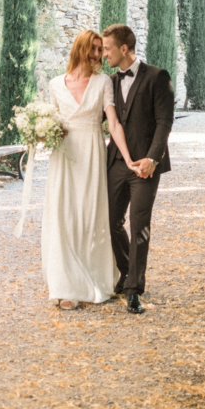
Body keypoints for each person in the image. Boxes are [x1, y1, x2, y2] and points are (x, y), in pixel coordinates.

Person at [42, 30, 139, 310]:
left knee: (88, 215)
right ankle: (65, 285)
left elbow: (114, 123)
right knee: (63, 215)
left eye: (100, 50)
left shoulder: (103, 83)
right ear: (80, 49)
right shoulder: (55, 84)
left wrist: (128, 157)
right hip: (64, 155)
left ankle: (90, 279)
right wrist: (40, 133)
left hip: (92, 152)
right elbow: (52, 121)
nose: (97, 55)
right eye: (93, 49)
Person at [101, 24, 175, 315]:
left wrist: (152, 159)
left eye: (108, 48)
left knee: (139, 226)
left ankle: (134, 290)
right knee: (110, 222)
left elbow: (164, 122)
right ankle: (125, 272)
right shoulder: (109, 81)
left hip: (145, 167)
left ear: (123, 49)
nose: (104, 53)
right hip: (117, 163)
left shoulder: (158, 77)